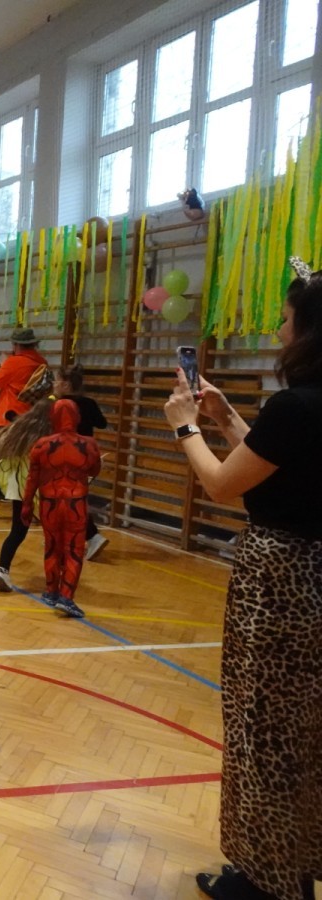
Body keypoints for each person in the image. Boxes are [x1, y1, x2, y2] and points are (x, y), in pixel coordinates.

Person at [164, 258, 322, 900]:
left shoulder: (294, 406)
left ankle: (268, 881)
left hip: (280, 583)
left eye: (286, 320)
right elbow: (281, 464)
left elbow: (224, 484)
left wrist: (186, 426)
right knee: (307, 733)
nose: (280, 332)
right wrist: (228, 417)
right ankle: (296, 864)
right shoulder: (301, 410)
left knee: (263, 730)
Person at [19, 399, 101, 618]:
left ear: (52, 417)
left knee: (52, 547)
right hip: (76, 503)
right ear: (77, 417)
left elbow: (32, 479)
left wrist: (26, 506)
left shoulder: (41, 445)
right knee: (73, 551)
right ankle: (66, 598)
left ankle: (51, 591)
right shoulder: (89, 444)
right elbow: (95, 470)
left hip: (49, 503)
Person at [0, 327, 48, 516]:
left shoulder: (14, 362)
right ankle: (34, 509)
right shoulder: (42, 362)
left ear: (16, 345)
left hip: (9, 418)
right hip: (32, 419)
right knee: (28, 466)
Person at [0, 398, 54, 592]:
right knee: (53, 534)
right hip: (41, 490)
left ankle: (2, 569)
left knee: (17, 531)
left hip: (18, 489)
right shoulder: (48, 437)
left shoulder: (17, 430)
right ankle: (56, 578)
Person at [54, 363, 110, 560]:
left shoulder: (61, 405)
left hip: (67, 457)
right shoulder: (89, 403)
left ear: (66, 384)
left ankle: (92, 536)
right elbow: (102, 423)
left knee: (70, 499)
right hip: (86, 455)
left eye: (57, 381)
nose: (54, 384)